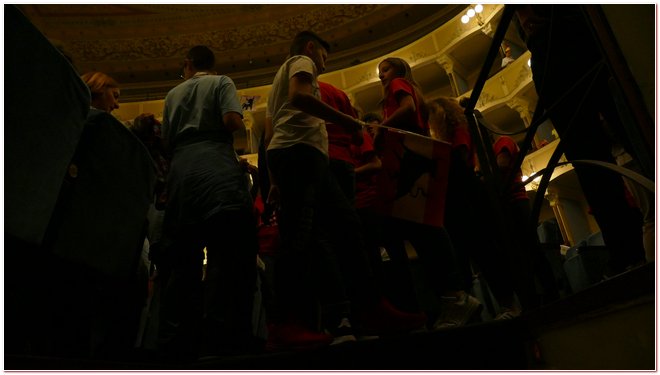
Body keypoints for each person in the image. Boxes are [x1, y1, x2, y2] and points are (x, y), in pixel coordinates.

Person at [265, 31, 424, 348]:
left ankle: (368, 307)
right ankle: (285, 322)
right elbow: (300, 96)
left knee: (343, 227)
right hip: (300, 152)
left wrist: (273, 180)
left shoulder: (275, 83)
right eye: (324, 56)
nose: (323, 65)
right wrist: (347, 121)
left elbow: (270, 132)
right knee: (304, 235)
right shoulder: (300, 61)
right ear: (312, 48)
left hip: (297, 154)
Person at [515, 5, 646, 277]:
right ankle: (625, 250)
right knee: (600, 150)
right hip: (561, 37)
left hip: (573, 32)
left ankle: (625, 251)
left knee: (626, 130)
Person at [158, 45, 260, 360]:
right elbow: (231, 120)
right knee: (228, 255)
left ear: (187, 64)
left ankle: (182, 344)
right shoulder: (220, 83)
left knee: (183, 259)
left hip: (182, 172)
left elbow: (166, 143)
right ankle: (225, 341)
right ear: (211, 65)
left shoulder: (173, 94)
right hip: (216, 170)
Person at [376, 57, 481, 329]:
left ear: (398, 70)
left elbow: (407, 109)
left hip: (408, 153)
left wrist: (381, 129)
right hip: (419, 152)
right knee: (426, 228)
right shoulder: (411, 87)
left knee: (424, 231)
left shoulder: (399, 85)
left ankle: (453, 296)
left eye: (385, 70)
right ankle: (452, 296)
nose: (381, 76)